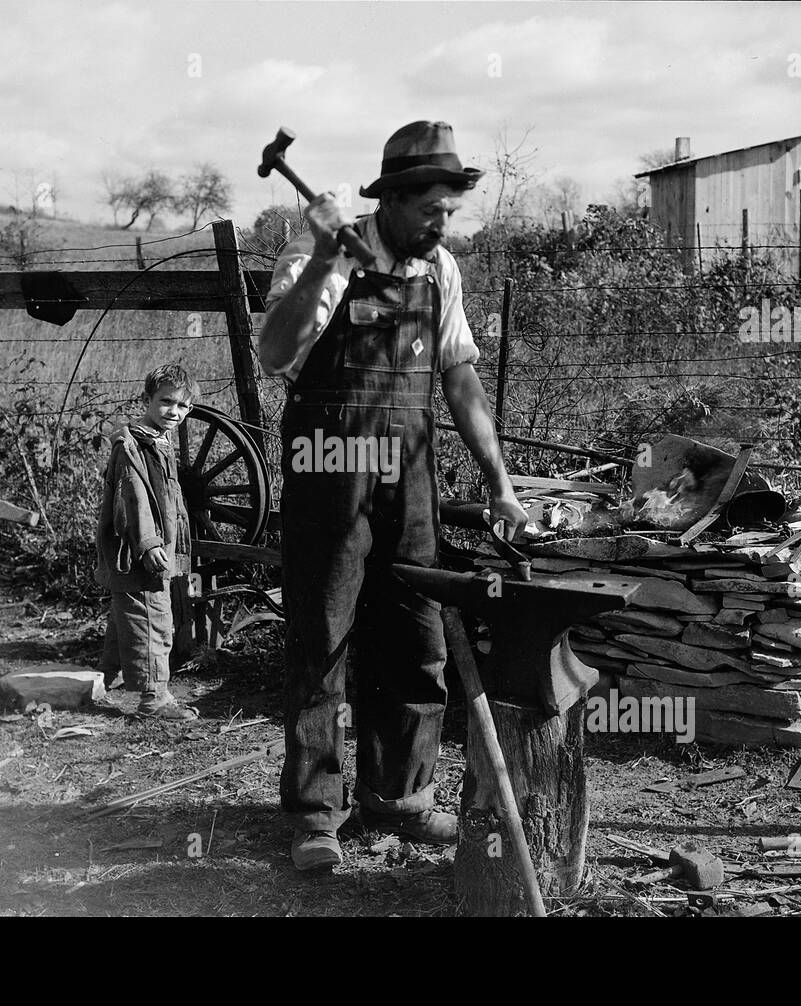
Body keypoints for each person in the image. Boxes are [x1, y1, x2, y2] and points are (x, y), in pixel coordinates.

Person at [258, 120, 528, 871]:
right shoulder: (329, 254)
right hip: (328, 465)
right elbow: (275, 352)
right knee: (322, 636)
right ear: (394, 200)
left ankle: (401, 797)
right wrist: (318, 263)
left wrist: (498, 482)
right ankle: (317, 812)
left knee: (416, 634)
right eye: (431, 211)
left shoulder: (439, 272)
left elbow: (461, 378)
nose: (442, 225)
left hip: (407, 474)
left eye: (450, 210)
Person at [93, 364, 200, 721]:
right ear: (146, 399)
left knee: (129, 609)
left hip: (149, 545)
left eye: (183, 407)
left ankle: (102, 678)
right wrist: (150, 542)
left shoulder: (157, 440)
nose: (175, 412)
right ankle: (154, 698)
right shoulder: (133, 445)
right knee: (152, 615)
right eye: (166, 402)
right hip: (139, 547)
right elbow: (133, 495)